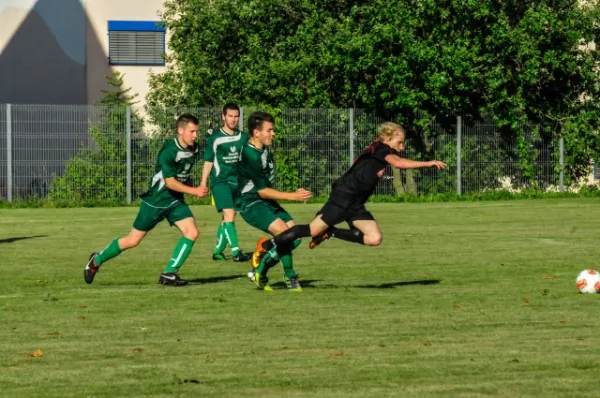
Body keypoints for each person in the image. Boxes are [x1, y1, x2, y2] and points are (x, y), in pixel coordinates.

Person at [253, 122, 446, 261]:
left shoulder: (382, 150)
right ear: (388, 138)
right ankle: (267, 246)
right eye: (400, 142)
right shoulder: (381, 148)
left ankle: (332, 232)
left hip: (355, 203)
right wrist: (428, 163)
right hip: (343, 196)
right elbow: (398, 163)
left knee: (374, 238)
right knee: (311, 230)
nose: (402, 147)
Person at [83, 113, 209, 287]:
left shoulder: (193, 148)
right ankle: (96, 260)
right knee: (133, 240)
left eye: (197, 131)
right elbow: (170, 182)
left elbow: (189, 168)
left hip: (174, 201)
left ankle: (169, 273)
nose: (195, 135)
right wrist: (195, 190)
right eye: (192, 131)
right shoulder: (169, 151)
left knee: (192, 232)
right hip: (156, 200)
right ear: (180, 131)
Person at [235, 111, 312, 291]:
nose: (273, 134)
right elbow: (262, 191)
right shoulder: (250, 155)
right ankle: (289, 275)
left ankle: (263, 256)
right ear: (256, 132)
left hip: (265, 202)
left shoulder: (264, 150)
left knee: (295, 237)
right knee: (286, 236)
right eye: (269, 130)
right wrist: (293, 196)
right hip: (251, 203)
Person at [200, 103, 251, 262]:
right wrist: (203, 184)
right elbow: (208, 161)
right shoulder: (215, 138)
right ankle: (236, 252)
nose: (233, 119)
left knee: (228, 217)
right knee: (229, 214)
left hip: (237, 183)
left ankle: (217, 251)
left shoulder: (243, 137)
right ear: (223, 116)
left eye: (236, 116)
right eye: (230, 116)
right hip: (220, 182)